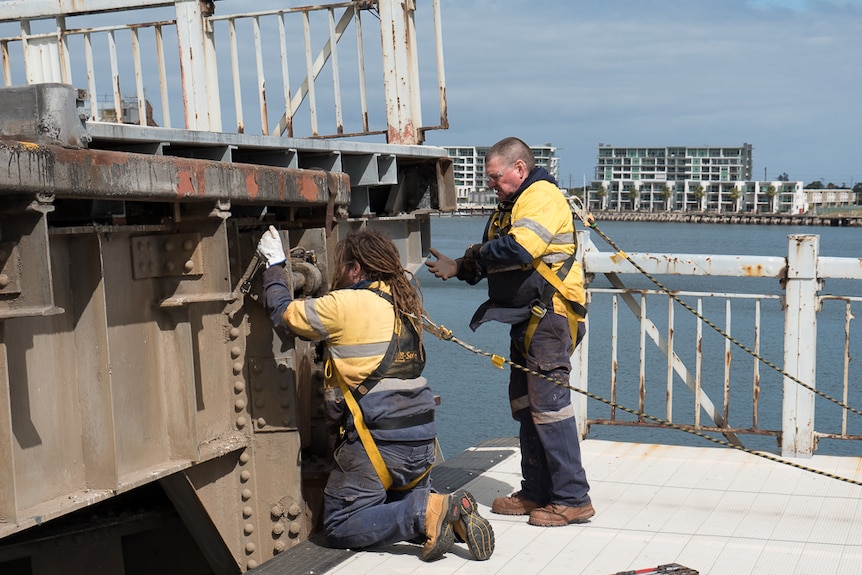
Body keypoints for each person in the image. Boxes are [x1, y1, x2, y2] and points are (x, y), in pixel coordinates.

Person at [256, 226, 494, 561]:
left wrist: (276, 266)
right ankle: (447, 514)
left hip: (377, 444)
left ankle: (427, 510)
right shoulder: (404, 301)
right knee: (391, 504)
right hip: (421, 443)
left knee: (341, 524)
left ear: (355, 269)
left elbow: (284, 313)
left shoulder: (344, 303)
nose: (338, 272)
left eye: (342, 266)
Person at [424, 137, 594, 527]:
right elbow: (495, 257)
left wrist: (471, 258)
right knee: (526, 406)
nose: (491, 185)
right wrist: (461, 268)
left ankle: (573, 498)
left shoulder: (541, 197)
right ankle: (535, 490)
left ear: (519, 168)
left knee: (550, 408)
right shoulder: (511, 205)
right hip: (527, 318)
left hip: (550, 317)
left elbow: (518, 250)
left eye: (495, 177)